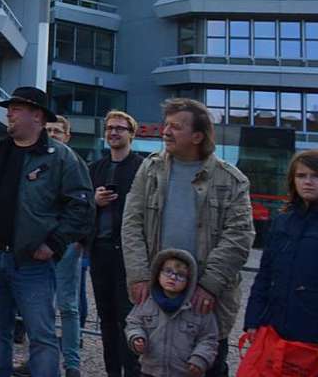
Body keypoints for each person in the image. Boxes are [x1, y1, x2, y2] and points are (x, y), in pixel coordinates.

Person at [0, 87, 94, 377]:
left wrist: (54, 243)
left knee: (42, 335)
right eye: (9, 108)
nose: (8, 113)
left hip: (33, 265)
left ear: (37, 115)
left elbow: (81, 206)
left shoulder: (61, 157)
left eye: (16, 108)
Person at [122, 98, 254, 377]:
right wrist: (139, 275)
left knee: (206, 365)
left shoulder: (232, 180)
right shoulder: (150, 169)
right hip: (156, 295)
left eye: (176, 127)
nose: (166, 132)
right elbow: (132, 222)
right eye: (166, 125)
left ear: (197, 136)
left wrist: (209, 285)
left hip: (205, 300)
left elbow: (239, 236)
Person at [13, 115, 87, 377]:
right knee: (37, 306)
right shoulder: (34, 161)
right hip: (37, 245)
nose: (53, 133)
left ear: (67, 136)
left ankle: (71, 364)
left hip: (65, 245)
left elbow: (81, 204)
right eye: (50, 129)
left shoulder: (72, 162)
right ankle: (37, 360)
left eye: (58, 130)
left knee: (67, 306)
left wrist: (78, 240)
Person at [242, 149, 318, 361]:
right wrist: (253, 320)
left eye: (315, 175)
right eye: (301, 176)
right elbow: (264, 275)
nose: (308, 182)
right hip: (276, 328)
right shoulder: (282, 222)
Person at [88, 110, 144, 377]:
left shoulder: (142, 168)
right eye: (110, 127)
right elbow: (78, 206)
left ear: (131, 133)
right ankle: (112, 372)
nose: (113, 132)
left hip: (129, 256)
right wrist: (94, 203)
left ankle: (133, 372)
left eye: (120, 128)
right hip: (100, 253)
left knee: (129, 319)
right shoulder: (95, 168)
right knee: (107, 321)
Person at [125, 249, 219, 377]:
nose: (173, 277)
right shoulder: (146, 302)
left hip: (185, 372)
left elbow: (209, 338)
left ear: (189, 280)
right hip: (150, 371)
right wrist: (136, 337)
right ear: (158, 274)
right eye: (168, 271)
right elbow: (133, 322)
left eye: (180, 275)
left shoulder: (198, 307)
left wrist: (200, 359)